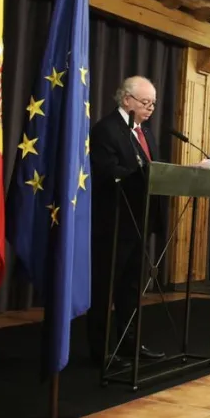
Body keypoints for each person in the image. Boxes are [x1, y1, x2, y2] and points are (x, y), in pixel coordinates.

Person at [87, 76, 166, 365]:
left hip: (139, 221)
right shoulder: (106, 130)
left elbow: (153, 170)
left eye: (153, 103)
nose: (151, 108)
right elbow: (106, 171)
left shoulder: (146, 132)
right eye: (146, 102)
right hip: (114, 222)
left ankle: (129, 344)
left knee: (131, 288)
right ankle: (100, 351)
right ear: (126, 100)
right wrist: (141, 174)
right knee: (106, 288)